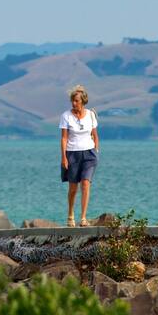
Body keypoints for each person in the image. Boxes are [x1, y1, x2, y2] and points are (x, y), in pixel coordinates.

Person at [60, 85, 99, 227]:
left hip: (89, 154)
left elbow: (95, 134)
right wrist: (64, 157)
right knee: (73, 188)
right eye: (72, 100)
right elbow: (64, 138)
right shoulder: (66, 116)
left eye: (76, 101)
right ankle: (70, 215)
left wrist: (96, 149)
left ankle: (83, 218)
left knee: (86, 183)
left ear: (83, 101)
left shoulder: (91, 115)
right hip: (72, 154)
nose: (74, 103)